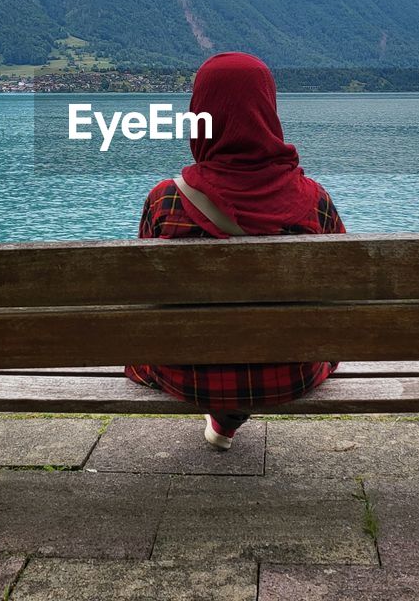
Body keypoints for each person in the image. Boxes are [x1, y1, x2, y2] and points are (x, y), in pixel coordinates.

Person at [124, 52, 345, 450]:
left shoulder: (165, 201)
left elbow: (142, 301)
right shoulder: (315, 202)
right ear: (267, 110)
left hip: (186, 373)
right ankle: (227, 417)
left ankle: (223, 412)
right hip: (291, 372)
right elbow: (345, 293)